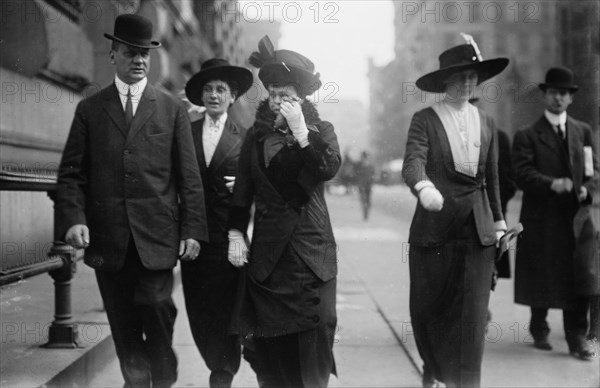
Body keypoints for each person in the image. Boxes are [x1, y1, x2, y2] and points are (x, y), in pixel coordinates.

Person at [54, 14, 208, 388]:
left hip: (157, 237)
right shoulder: (90, 109)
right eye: (130, 52)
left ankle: (163, 379)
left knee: (157, 308)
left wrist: (192, 230)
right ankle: (137, 382)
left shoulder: (171, 109)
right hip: (109, 241)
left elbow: (189, 177)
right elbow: (72, 173)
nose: (139, 60)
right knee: (123, 325)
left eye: (144, 53)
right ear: (113, 56)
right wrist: (74, 219)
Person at [227, 35, 340, 387]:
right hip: (269, 259)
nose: (277, 101)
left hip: (311, 254)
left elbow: (328, 168)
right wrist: (235, 232)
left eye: (286, 94)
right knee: (271, 351)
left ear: (301, 97)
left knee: (312, 346)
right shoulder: (255, 137)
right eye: (273, 93)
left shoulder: (321, 132)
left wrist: (302, 132)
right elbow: (243, 189)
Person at [402, 35, 509, 388]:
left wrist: (499, 223)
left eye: (471, 77)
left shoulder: (488, 123)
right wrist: (423, 187)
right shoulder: (425, 119)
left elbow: (492, 179)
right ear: (445, 81)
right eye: (459, 77)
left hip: (478, 233)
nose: (466, 84)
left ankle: (464, 382)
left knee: (472, 318)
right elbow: (413, 161)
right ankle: (433, 367)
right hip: (435, 230)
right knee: (430, 310)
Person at [512, 66, 599, 361]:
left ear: (571, 98)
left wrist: (588, 187)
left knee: (581, 278)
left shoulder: (582, 131)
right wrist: (552, 184)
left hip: (577, 218)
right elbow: (521, 173)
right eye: (553, 93)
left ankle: (577, 338)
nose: (558, 99)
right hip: (543, 217)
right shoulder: (528, 135)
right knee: (543, 275)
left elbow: (594, 170)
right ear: (545, 96)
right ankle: (539, 327)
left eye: (563, 94)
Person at [181, 58, 253, 388]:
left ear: (232, 96)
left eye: (220, 90)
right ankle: (215, 365)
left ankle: (222, 375)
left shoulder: (245, 138)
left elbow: (257, 184)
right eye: (208, 89)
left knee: (227, 312)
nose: (213, 95)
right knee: (198, 309)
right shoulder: (185, 132)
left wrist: (242, 186)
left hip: (229, 237)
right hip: (194, 236)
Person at [355, 150, 375, 220]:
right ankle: (365, 212)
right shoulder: (360, 165)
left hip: (367, 185)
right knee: (364, 200)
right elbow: (356, 174)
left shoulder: (369, 166)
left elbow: (372, 175)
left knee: (367, 200)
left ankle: (366, 211)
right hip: (362, 186)